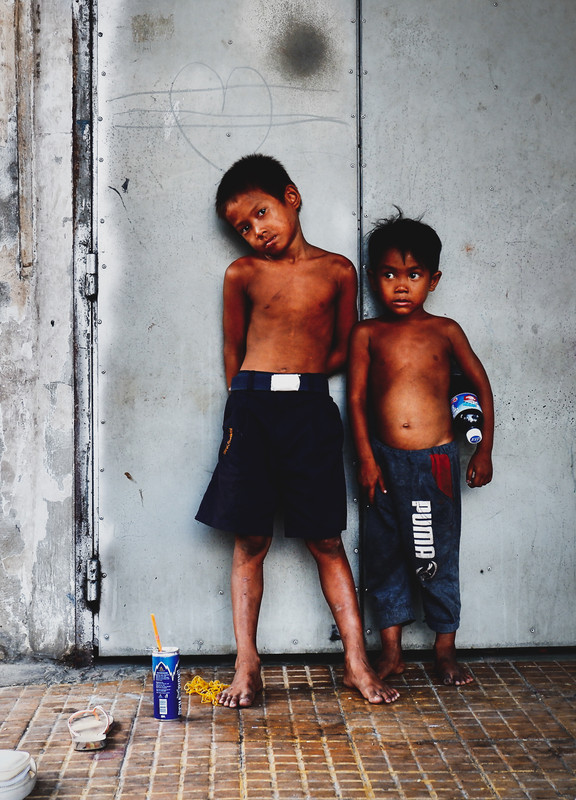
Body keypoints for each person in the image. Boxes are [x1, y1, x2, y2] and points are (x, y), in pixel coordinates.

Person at [195, 154, 399, 707]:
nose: (257, 231)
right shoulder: (242, 275)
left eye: (261, 212)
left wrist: (301, 379)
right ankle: (247, 662)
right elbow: (232, 352)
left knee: (327, 539)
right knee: (251, 539)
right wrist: (244, 406)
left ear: (292, 197)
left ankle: (356, 662)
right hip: (253, 410)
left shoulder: (337, 271)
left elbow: (344, 345)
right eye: (242, 227)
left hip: (310, 410)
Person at [348, 212, 493, 686]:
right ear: (374, 279)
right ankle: (391, 652)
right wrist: (367, 459)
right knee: (384, 554)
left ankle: (445, 650)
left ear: (434, 279)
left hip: (435, 463)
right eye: (389, 274)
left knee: (436, 555)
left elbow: (481, 386)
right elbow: (355, 400)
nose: (401, 286)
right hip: (384, 462)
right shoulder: (367, 334)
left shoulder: (445, 330)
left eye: (413, 275)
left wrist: (484, 449)